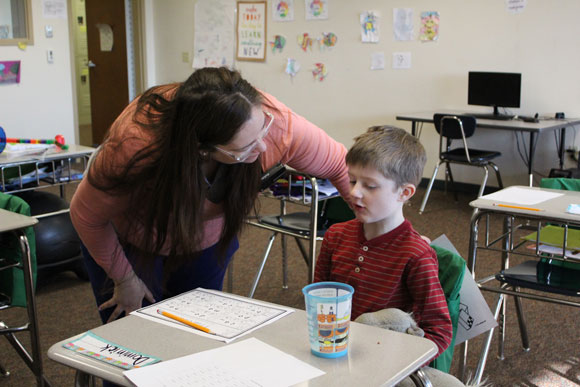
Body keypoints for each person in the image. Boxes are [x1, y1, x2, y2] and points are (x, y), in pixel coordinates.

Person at [70, 67, 351, 325]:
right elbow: (86, 216)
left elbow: (343, 167)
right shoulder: (135, 145)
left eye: (262, 131)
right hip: (130, 241)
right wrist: (125, 278)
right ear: (202, 149)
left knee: (197, 335)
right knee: (134, 343)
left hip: (204, 238)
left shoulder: (276, 125)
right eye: (245, 147)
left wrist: (380, 228)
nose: (264, 147)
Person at [314, 126, 452, 357]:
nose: (355, 192)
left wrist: (397, 364)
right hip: (334, 352)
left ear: (404, 193)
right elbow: (318, 302)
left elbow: (439, 332)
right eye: (352, 180)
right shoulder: (336, 235)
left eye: (370, 186)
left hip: (384, 361)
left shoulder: (415, 253)